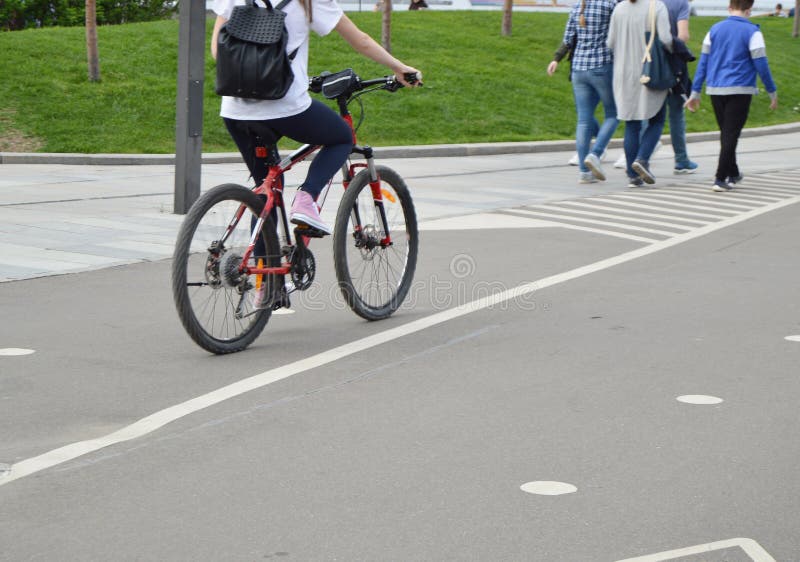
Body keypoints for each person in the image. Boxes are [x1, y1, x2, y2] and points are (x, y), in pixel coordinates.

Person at [211, 0, 421, 237]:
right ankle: (306, 198)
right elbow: (360, 41)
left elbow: (218, 50)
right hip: (285, 105)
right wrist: (398, 67)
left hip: (235, 109)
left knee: (263, 192)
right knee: (342, 137)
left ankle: (263, 271)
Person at [685, 0, 777, 191]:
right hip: (740, 90)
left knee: (727, 134)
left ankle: (733, 173)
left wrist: (695, 91)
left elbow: (703, 63)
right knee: (731, 135)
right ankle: (720, 178)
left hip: (716, 89)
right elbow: (762, 65)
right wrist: (771, 91)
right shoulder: (753, 32)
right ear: (749, 10)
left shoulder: (714, 29)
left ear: (729, 8)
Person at [547, 0, 619, 184]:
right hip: (602, 66)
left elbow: (568, 39)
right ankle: (596, 153)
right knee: (614, 113)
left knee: (584, 120)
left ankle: (584, 173)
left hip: (578, 69)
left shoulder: (578, 6)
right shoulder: (610, 5)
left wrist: (556, 59)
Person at [607, 0, 674, 187]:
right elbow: (666, 40)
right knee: (657, 119)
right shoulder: (657, 7)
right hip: (650, 71)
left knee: (631, 123)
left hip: (622, 73)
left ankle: (632, 175)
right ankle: (642, 159)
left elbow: (610, 42)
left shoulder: (619, 9)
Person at [660, 0, 698, 173]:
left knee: (649, 115)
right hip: (674, 66)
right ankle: (681, 160)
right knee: (676, 114)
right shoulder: (681, 4)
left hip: (651, 65)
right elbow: (683, 35)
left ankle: (639, 157)